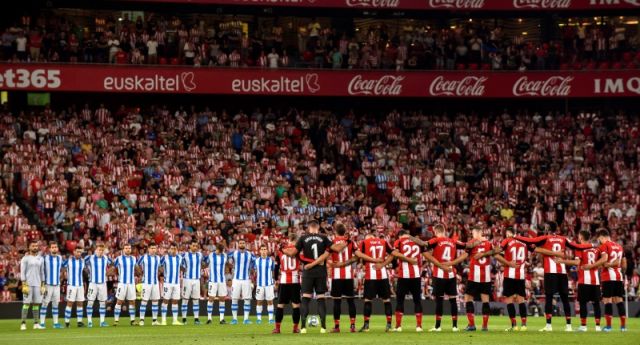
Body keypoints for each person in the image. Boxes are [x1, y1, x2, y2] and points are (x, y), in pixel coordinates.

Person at [516, 224, 593, 332]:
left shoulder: (546, 238)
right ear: (557, 229)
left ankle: (548, 325)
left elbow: (530, 241)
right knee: (565, 299)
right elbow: (575, 246)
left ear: (547, 229)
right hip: (562, 272)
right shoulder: (563, 239)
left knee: (548, 298)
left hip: (550, 273)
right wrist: (590, 245)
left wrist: (515, 237)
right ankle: (569, 326)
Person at [283, 220, 346, 333]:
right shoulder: (323, 237)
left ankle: (302, 327)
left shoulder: (303, 238)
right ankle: (323, 327)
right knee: (321, 299)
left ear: (308, 228)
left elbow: (292, 253)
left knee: (306, 299)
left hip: (308, 272)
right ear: (318, 227)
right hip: (321, 272)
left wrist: (282, 250)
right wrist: (345, 241)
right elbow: (336, 249)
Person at [413, 224, 469, 332]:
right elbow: (466, 248)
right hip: (451, 274)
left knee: (439, 301)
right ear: (444, 231)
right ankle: (455, 326)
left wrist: (417, 240)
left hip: (439, 274)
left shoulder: (436, 240)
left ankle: (438, 326)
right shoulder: (453, 241)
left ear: (435, 231)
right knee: (453, 300)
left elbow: (425, 245)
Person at [557, 230, 603, 332]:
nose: (578, 238)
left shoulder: (579, 248)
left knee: (583, 303)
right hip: (595, 281)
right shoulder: (596, 249)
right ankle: (598, 327)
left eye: (578, 236)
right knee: (596, 304)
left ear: (581, 238)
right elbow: (601, 263)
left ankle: (583, 326)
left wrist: (562, 261)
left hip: (584, 281)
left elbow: (577, 262)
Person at [355, 232, 396, 332]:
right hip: (383, 275)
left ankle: (366, 326)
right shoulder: (383, 241)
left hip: (370, 276)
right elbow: (393, 254)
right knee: (386, 300)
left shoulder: (364, 242)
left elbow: (358, 253)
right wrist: (383, 264)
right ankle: (389, 325)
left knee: (368, 300)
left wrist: (372, 260)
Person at [493, 227, 531, 331]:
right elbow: (528, 258)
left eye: (507, 234)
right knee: (521, 300)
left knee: (509, 300)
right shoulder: (524, 242)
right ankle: (524, 325)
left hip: (509, 274)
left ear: (509, 233)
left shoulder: (507, 240)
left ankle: (514, 326)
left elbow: (496, 254)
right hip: (521, 275)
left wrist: (507, 262)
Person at [595, 228, 627, 332]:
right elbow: (624, 264)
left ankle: (608, 327)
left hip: (608, 277)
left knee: (607, 301)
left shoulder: (604, 246)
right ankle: (623, 327)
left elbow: (604, 259)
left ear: (602, 237)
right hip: (619, 277)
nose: (599, 241)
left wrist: (595, 265)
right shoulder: (619, 246)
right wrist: (621, 273)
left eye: (599, 238)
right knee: (619, 301)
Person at [392, 230, 424, 332]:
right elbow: (426, 253)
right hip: (416, 275)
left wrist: (408, 259)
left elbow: (395, 254)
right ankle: (419, 326)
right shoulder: (417, 241)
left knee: (400, 300)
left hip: (404, 275)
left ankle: (398, 326)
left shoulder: (399, 241)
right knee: (417, 301)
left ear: (400, 235)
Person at [328, 223, 358, 333]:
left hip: (336, 276)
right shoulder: (350, 241)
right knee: (351, 301)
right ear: (344, 230)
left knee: (337, 302)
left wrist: (331, 263)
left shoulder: (332, 241)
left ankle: (336, 327)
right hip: (348, 275)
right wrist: (346, 263)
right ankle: (353, 326)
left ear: (335, 230)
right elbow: (357, 256)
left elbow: (326, 256)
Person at [463, 227, 494, 331]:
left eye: (473, 233)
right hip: (486, 277)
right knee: (485, 300)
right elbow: (495, 253)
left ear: (477, 232)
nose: (472, 234)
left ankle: (471, 325)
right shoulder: (488, 243)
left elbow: (465, 252)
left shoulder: (472, 242)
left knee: (468, 299)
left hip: (474, 276)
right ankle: (485, 326)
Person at [273, 234, 302, 334]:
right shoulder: (298, 250)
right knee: (296, 305)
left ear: (289, 240)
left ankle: (277, 328)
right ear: (296, 240)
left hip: (284, 281)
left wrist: (276, 279)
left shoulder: (280, 251)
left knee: (280, 305)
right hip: (295, 281)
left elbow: (276, 268)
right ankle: (295, 328)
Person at [85, 243, 112, 327]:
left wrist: (108, 272)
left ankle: (102, 321)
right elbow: (84, 264)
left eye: (102, 250)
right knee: (90, 302)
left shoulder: (106, 258)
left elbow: (113, 264)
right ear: (95, 250)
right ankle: (89, 321)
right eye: (99, 250)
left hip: (103, 283)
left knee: (103, 303)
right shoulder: (90, 258)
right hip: (93, 284)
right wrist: (89, 272)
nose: (100, 251)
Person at [228, 238, 255, 324]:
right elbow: (227, 260)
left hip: (246, 279)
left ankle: (246, 319)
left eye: (243, 243)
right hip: (236, 279)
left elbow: (255, 262)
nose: (242, 244)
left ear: (245, 244)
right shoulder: (234, 253)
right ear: (238, 244)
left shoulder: (250, 254)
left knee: (247, 299)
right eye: (240, 243)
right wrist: (231, 267)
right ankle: (234, 319)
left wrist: (252, 269)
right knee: (234, 299)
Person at [20, 241, 44, 330]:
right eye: (33, 246)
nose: (35, 247)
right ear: (29, 247)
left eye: (36, 246)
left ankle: (36, 323)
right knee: (26, 303)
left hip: (38, 284)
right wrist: (24, 283)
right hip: (28, 284)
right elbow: (22, 271)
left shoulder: (41, 258)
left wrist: (43, 284)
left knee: (36, 304)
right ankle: (23, 323)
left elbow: (42, 272)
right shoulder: (25, 258)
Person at [39, 241, 63, 329]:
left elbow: (62, 269)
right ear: (49, 249)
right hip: (48, 285)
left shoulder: (60, 258)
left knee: (55, 304)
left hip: (57, 285)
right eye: (52, 247)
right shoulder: (45, 258)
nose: (54, 249)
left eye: (55, 247)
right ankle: (41, 323)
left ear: (58, 248)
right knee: (45, 303)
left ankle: (55, 323)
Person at [113, 244, 137, 326]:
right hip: (122, 283)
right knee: (119, 301)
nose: (128, 249)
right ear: (123, 249)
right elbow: (114, 268)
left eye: (129, 248)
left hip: (131, 283)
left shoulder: (134, 258)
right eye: (126, 248)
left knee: (132, 301)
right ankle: (116, 320)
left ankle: (132, 320)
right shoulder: (119, 258)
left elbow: (136, 269)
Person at [137, 243, 161, 326]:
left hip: (155, 283)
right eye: (152, 248)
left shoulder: (158, 258)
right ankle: (141, 320)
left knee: (155, 301)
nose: (153, 250)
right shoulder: (144, 257)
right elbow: (137, 265)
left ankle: (154, 321)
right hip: (146, 283)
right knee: (144, 301)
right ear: (148, 249)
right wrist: (140, 273)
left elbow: (160, 268)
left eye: (155, 248)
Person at [160, 243, 184, 325]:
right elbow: (159, 265)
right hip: (167, 283)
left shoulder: (179, 258)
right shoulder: (165, 257)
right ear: (169, 249)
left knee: (175, 301)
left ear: (177, 250)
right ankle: (163, 320)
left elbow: (183, 267)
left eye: (175, 249)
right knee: (165, 300)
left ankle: (175, 320)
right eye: (172, 248)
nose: (173, 250)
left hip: (176, 283)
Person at [204, 243, 228, 324]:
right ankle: (209, 318)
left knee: (222, 298)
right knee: (211, 298)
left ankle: (221, 319)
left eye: (221, 251)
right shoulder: (211, 255)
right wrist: (206, 271)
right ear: (216, 248)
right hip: (213, 281)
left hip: (221, 281)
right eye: (218, 250)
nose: (219, 252)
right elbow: (205, 263)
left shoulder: (224, 256)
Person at [181, 241, 204, 325]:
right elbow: (179, 264)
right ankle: (184, 319)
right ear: (190, 246)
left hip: (196, 280)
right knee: (185, 299)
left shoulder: (200, 255)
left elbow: (203, 263)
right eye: (193, 245)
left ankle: (196, 319)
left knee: (196, 300)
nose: (195, 247)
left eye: (196, 246)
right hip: (187, 279)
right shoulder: (185, 255)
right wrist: (184, 270)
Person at [63, 247, 85, 328]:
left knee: (80, 303)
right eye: (77, 252)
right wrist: (64, 275)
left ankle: (79, 322)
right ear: (74, 252)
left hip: (80, 285)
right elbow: (61, 266)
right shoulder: (69, 260)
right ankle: (67, 322)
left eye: (80, 252)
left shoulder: (82, 261)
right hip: (71, 285)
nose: (79, 253)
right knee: (70, 303)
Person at [254, 244, 276, 324]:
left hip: (269, 284)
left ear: (267, 251)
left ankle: (270, 319)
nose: (263, 251)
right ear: (260, 251)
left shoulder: (271, 260)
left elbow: (273, 271)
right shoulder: (256, 261)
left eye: (265, 249)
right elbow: (254, 271)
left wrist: (274, 281)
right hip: (259, 285)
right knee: (259, 301)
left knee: (270, 301)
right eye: (262, 249)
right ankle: (259, 319)